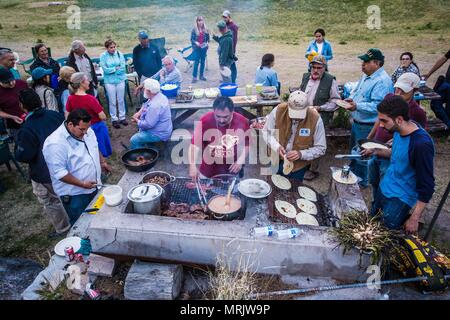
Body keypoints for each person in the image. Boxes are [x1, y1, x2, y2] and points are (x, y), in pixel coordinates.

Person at [363, 95, 435, 232]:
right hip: (385, 188)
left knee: (384, 237)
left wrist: (414, 218)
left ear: (399, 119)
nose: (381, 125)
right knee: (369, 229)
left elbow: (427, 186)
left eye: (384, 121)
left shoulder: (421, 144)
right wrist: (375, 151)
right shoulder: (398, 130)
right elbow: (396, 155)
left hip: (399, 200)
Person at [14, 89, 70, 236]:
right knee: (67, 195)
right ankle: (76, 217)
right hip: (65, 163)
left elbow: (23, 155)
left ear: (22, 106)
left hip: (44, 172)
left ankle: (63, 228)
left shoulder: (26, 129)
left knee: (51, 200)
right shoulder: (55, 116)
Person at [43, 109, 112, 225]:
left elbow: (94, 146)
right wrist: (83, 184)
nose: (85, 132)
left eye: (87, 128)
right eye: (82, 129)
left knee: (98, 217)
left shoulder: (87, 130)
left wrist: (102, 162)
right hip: (75, 194)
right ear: (70, 124)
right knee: (81, 223)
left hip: (94, 185)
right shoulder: (55, 143)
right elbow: (60, 173)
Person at [366, 73, 427, 203]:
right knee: (373, 180)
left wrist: (396, 140)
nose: (398, 93)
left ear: (414, 90)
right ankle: (375, 202)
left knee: (386, 184)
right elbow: (379, 119)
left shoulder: (417, 112)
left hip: (390, 155)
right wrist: (370, 138)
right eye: (397, 88)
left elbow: (416, 135)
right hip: (376, 147)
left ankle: (382, 207)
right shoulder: (389, 98)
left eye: (403, 90)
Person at [262, 90, 326, 182]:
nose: (296, 118)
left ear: (307, 107)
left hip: (298, 165)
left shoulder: (315, 119)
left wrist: (301, 154)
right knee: (273, 184)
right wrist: (277, 146)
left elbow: (321, 148)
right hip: (275, 159)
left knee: (293, 189)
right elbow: (266, 132)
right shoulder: (278, 110)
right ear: (288, 105)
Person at [342, 48, 394, 150]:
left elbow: (378, 106)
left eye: (366, 61)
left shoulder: (382, 82)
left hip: (369, 126)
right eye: (363, 61)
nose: (363, 64)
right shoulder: (366, 75)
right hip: (358, 123)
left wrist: (357, 106)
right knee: (355, 152)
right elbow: (356, 91)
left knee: (364, 155)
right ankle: (354, 166)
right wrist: (350, 100)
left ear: (377, 63)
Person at [299, 55, 340, 180]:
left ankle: (313, 169)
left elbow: (336, 102)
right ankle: (303, 164)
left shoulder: (330, 80)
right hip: (303, 116)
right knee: (303, 139)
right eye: (313, 67)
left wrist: (320, 108)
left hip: (320, 117)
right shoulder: (306, 77)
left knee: (317, 143)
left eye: (319, 67)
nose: (315, 70)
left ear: (324, 68)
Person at [189, 96, 249, 179]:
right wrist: (192, 165)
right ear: (214, 111)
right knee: (205, 190)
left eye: (225, 117)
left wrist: (240, 160)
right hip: (208, 170)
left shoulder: (242, 121)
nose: (221, 120)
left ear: (232, 112)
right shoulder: (205, 120)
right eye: (218, 116)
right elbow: (194, 145)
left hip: (232, 170)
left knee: (231, 191)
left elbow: (247, 144)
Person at [65, 72, 112, 158]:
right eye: (87, 80)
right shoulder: (90, 99)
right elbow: (103, 117)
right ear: (82, 83)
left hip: (80, 129)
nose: (89, 82)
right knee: (99, 150)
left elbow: (67, 115)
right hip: (95, 128)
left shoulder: (70, 98)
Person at [130, 79, 172, 149]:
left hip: (159, 133)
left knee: (134, 140)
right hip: (165, 128)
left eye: (144, 89)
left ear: (149, 91)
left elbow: (148, 125)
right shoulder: (159, 95)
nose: (143, 90)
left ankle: (140, 156)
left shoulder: (154, 106)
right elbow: (146, 103)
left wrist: (136, 120)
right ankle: (150, 148)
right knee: (140, 133)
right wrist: (139, 112)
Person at [100, 39, 128, 129]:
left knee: (121, 99)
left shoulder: (120, 54)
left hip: (120, 79)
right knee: (112, 101)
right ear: (107, 48)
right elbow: (105, 70)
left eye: (114, 47)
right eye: (111, 47)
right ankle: (114, 119)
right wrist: (115, 69)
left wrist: (113, 69)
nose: (113, 49)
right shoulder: (103, 56)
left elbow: (123, 67)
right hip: (109, 81)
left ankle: (122, 117)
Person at [423, 49, 450, 129]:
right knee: (434, 104)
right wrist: (429, 74)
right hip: (446, 83)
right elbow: (443, 59)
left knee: (449, 110)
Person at [0, 67, 27, 141]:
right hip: (15, 126)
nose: (11, 83)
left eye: (12, 80)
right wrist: (12, 117)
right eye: (7, 82)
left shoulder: (22, 83)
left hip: (30, 120)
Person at [191, 16, 210, 83]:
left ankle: (201, 76)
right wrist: (196, 42)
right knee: (196, 62)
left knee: (202, 62)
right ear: (197, 21)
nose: (200, 22)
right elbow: (192, 39)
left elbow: (208, 39)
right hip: (197, 48)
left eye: (201, 20)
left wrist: (207, 43)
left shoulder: (206, 29)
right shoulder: (194, 29)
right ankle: (194, 77)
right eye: (199, 20)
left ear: (203, 21)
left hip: (203, 48)